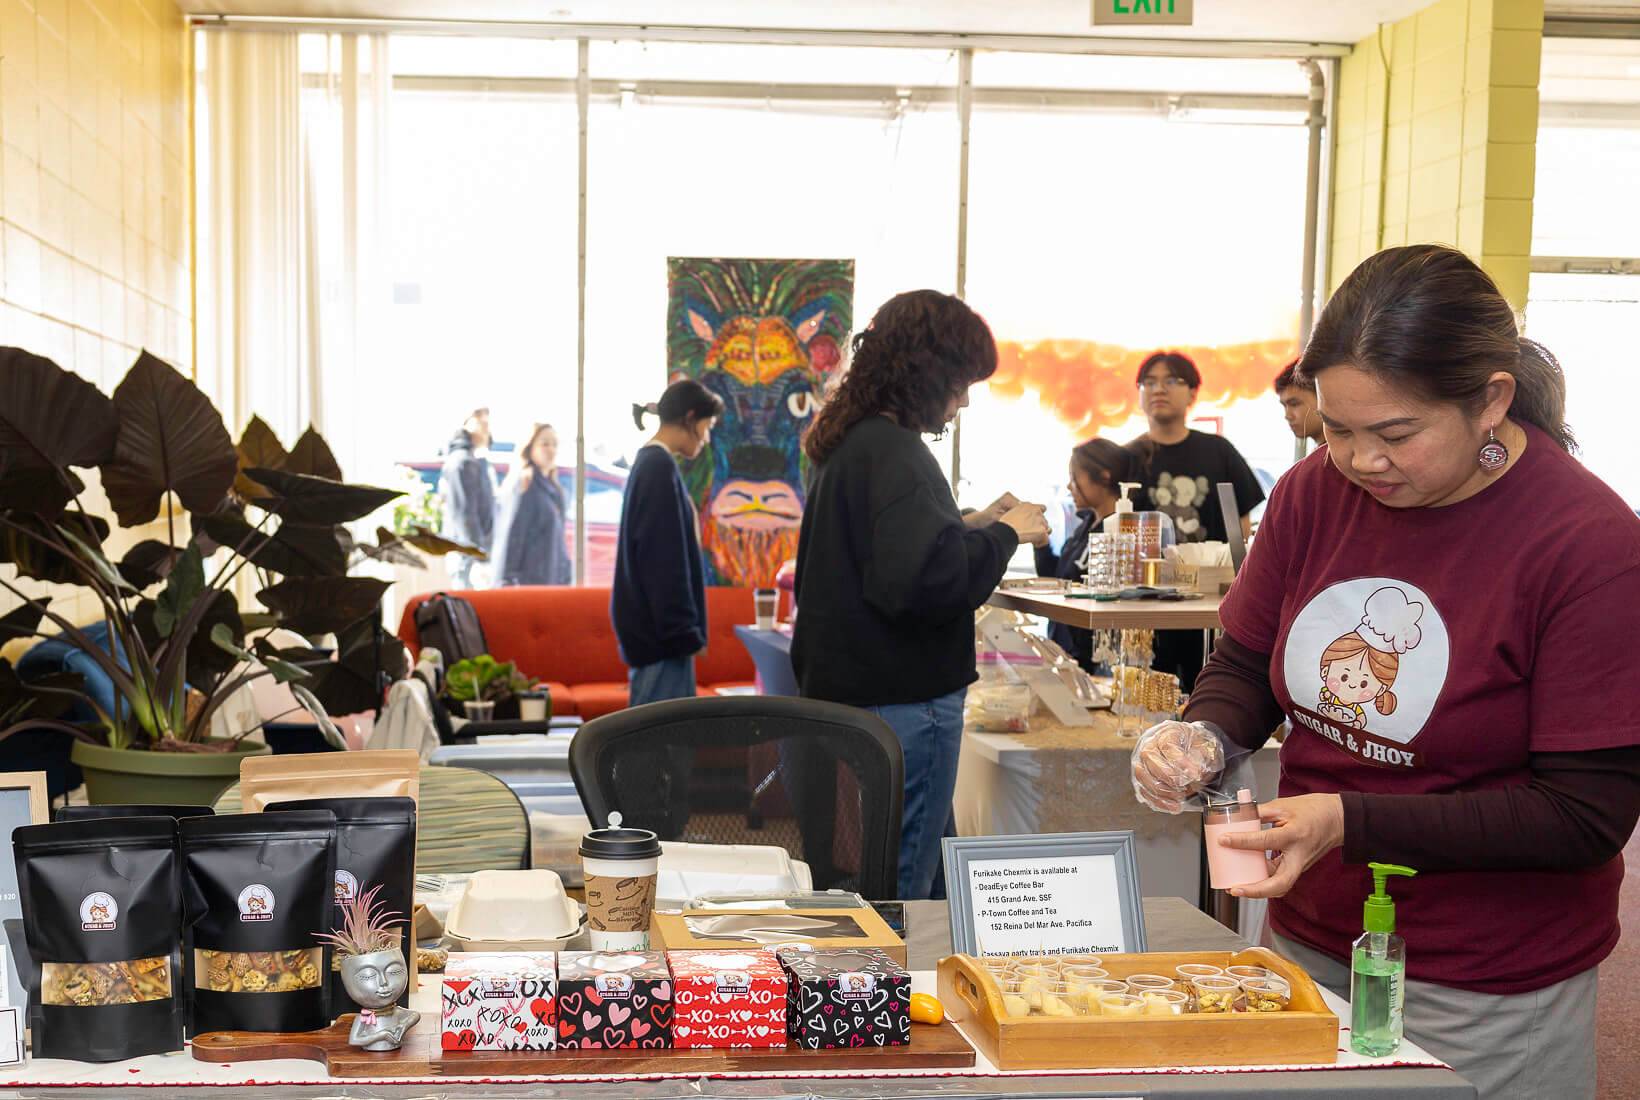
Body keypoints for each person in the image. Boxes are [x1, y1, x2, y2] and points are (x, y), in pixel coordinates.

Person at [1129, 244, 1640, 1100]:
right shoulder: (1308, 495)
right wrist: (1205, 732)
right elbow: (1249, 662)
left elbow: (1583, 817)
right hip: (1308, 938)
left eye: (1396, 434)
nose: (1363, 462)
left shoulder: (1587, 544)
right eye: (1336, 429)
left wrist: (1347, 821)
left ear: (1491, 401)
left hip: (1486, 982)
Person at [792, 289, 1051, 900]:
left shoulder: (854, 443)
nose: (962, 401)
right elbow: (923, 585)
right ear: (929, 373)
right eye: (961, 383)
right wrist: (1007, 535)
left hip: (854, 693)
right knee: (901, 883)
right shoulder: (899, 453)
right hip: (905, 700)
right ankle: (892, 992)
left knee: (905, 871)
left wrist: (971, 527)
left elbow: (885, 556)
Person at [1126, 351, 1266, 690]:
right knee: (1146, 697)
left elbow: (1241, 527)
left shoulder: (1219, 451)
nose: (1159, 389)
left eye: (1172, 380)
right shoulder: (1128, 458)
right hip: (1147, 609)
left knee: (1207, 692)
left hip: (1210, 608)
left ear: (1192, 393)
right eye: (1150, 382)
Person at [612, 380, 724, 708]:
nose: (706, 436)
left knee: (657, 750)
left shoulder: (653, 463)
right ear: (691, 418)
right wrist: (683, 632)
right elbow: (662, 563)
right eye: (708, 425)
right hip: (662, 642)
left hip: (656, 639)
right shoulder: (658, 467)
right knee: (661, 753)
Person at [1034, 438, 1135, 672]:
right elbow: (1058, 581)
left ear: (1104, 476)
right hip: (1066, 651)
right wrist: (1041, 545)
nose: (1069, 486)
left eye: (1074, 477)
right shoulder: (1085, 526)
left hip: (1096, 659)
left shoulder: (1123, 532)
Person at [490, 422, 572, 587]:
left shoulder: (553, 488)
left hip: (551, 582)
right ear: (530, 448)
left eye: (555, 444)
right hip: (529, 584)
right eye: (545, 444)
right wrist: (508, 582)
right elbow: (512, 537)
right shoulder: (524, 484)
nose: (551, 450)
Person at [440, 408, 497, 588]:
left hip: (472, 555)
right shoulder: (462, 462)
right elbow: (465, 514)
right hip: (468, 559)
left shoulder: (474, 461)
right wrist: (479, 556)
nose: (486, 429)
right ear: (467, 423)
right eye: (483, 423)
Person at [1275, 358, 1325, 448]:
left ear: (1324, 397)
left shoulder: (1342, 458)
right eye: (1284, 405)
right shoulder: (1322, 455)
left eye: (1294, 404)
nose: (1287, 416)